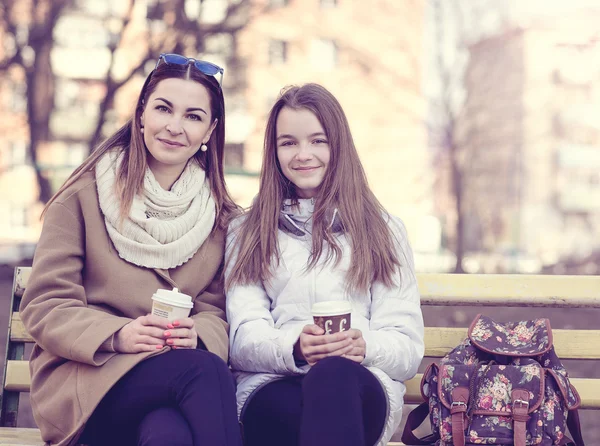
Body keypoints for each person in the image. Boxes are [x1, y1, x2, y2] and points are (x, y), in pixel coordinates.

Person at [20, 53, 243, 446]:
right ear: (141, 115)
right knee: (205, 373)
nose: (175, 127)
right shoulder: (81, 198)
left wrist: (199, 335)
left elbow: (217, 308)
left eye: (193, 116)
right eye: (163, 109)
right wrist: (118, 334)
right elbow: (45, 306)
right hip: (89, 381)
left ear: (210, 130)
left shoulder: (221, 218)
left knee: (168, 434)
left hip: (171, 382)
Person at [225, 83, 425, 446]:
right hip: (273, 386)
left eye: (318, 141)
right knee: (296, 409)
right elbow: (242, 339)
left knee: (332, 377)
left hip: (357, 385)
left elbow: (406, 347)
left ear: (339, 146)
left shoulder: (382, 229)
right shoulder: (247, 231)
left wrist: (363, 347)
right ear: (274, 151)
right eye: (288, 142)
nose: (303, 154)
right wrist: (295, 348)